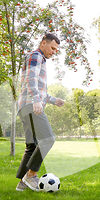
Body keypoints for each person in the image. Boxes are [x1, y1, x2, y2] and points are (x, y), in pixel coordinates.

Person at [15, 33, 65, 191]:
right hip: (30, 104)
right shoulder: (36, 56)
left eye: (56, 50)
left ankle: (22, 185)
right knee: (48, 138)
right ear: (43, 43)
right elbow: (31, 79)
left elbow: (38, 87)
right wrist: (36, 100)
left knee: (32, 145)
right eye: (52, 48)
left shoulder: (39, 59)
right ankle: (31, 176)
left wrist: (53, 100)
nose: (53, 51)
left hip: (24, 105)